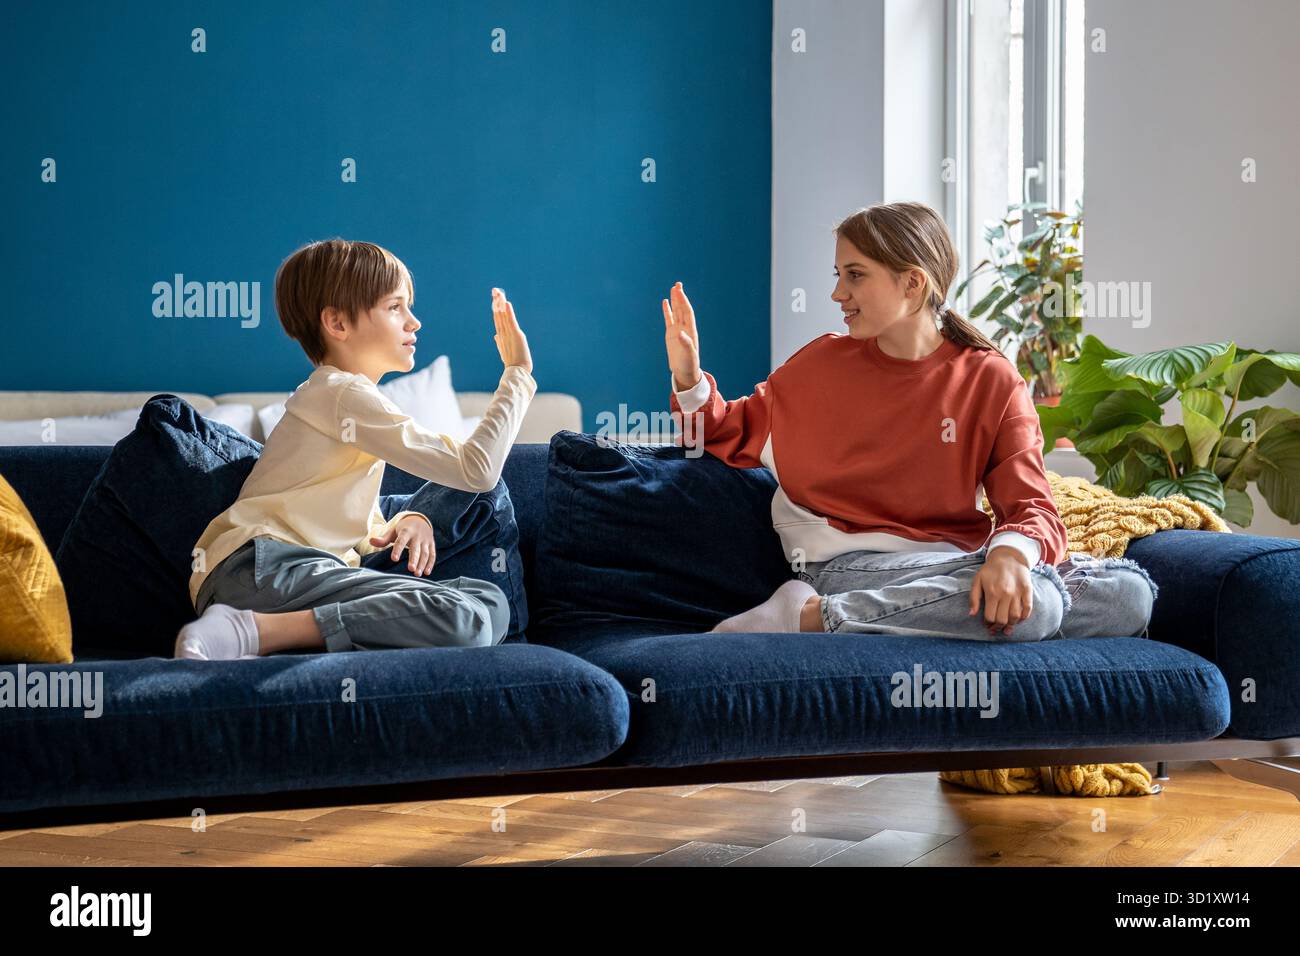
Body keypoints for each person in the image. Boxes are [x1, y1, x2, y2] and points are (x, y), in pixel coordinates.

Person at [662, 201, 1157, 641]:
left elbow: (1031, 505)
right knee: (1039, 604)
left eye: (854, 275)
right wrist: (687, 375)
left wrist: (1008, 556)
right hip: (843, 567)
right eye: (837, 274)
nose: (838, 293)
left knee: (1129, 594)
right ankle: (810, 612)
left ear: (913, 282)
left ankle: (830, 619)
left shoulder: (992, 380)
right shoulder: (820, 365)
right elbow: (723, 431)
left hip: (952, 562)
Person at [174, 238, 535, 660]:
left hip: (291, 572)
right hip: (262, 569)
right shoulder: (341, 393)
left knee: (487, 604)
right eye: (395, 306)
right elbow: (477, 470)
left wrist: (412, 516)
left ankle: (266, 632)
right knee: (467, 617)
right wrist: (517, 375)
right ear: (338, 325)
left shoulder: (345, 403)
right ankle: (249, 631)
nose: (414, 322)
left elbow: (362, 529)